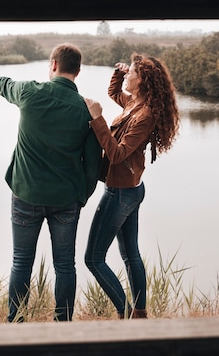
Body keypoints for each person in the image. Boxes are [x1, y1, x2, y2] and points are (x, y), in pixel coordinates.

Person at [0, 43, 101, 322]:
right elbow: (93, 162)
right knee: (65, 265)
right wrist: (83, 196)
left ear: (53, 65)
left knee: (21, 262)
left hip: (26, 195)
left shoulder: (30, 93)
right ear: (77, 72)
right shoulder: (86, 110)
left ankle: (16, 322)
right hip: (67, 200)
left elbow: (4, 84)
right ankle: (63, 324)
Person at [83, 53, 179, 319]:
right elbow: (114, 91)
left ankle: (125, 313)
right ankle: (140, 314)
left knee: (93, 259)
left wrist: (97, 120)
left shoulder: (144, 115)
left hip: (121, 193)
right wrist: (119, 73)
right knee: (131, 255)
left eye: (132, 73)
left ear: (142, 80)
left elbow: (116, 154)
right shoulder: (136, 103)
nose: (128, 76)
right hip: (131, 189)